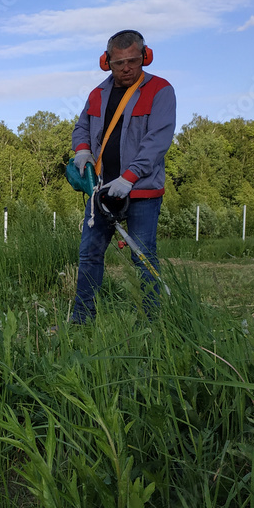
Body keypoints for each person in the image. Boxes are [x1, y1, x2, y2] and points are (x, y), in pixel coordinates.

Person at [70, 30, 176, 324]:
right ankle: (81, 319)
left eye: (133, 60)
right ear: (107, 62)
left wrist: (130, 177)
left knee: (142, 258)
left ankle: (153, 323)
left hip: (141, 191)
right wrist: (82, 151)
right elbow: (81, 128)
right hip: (101, 191)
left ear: (146, 56)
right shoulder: (97, 94)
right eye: (119, 63)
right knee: (89, 255)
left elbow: (157, 140)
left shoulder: (161, 91)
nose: (127, 68)